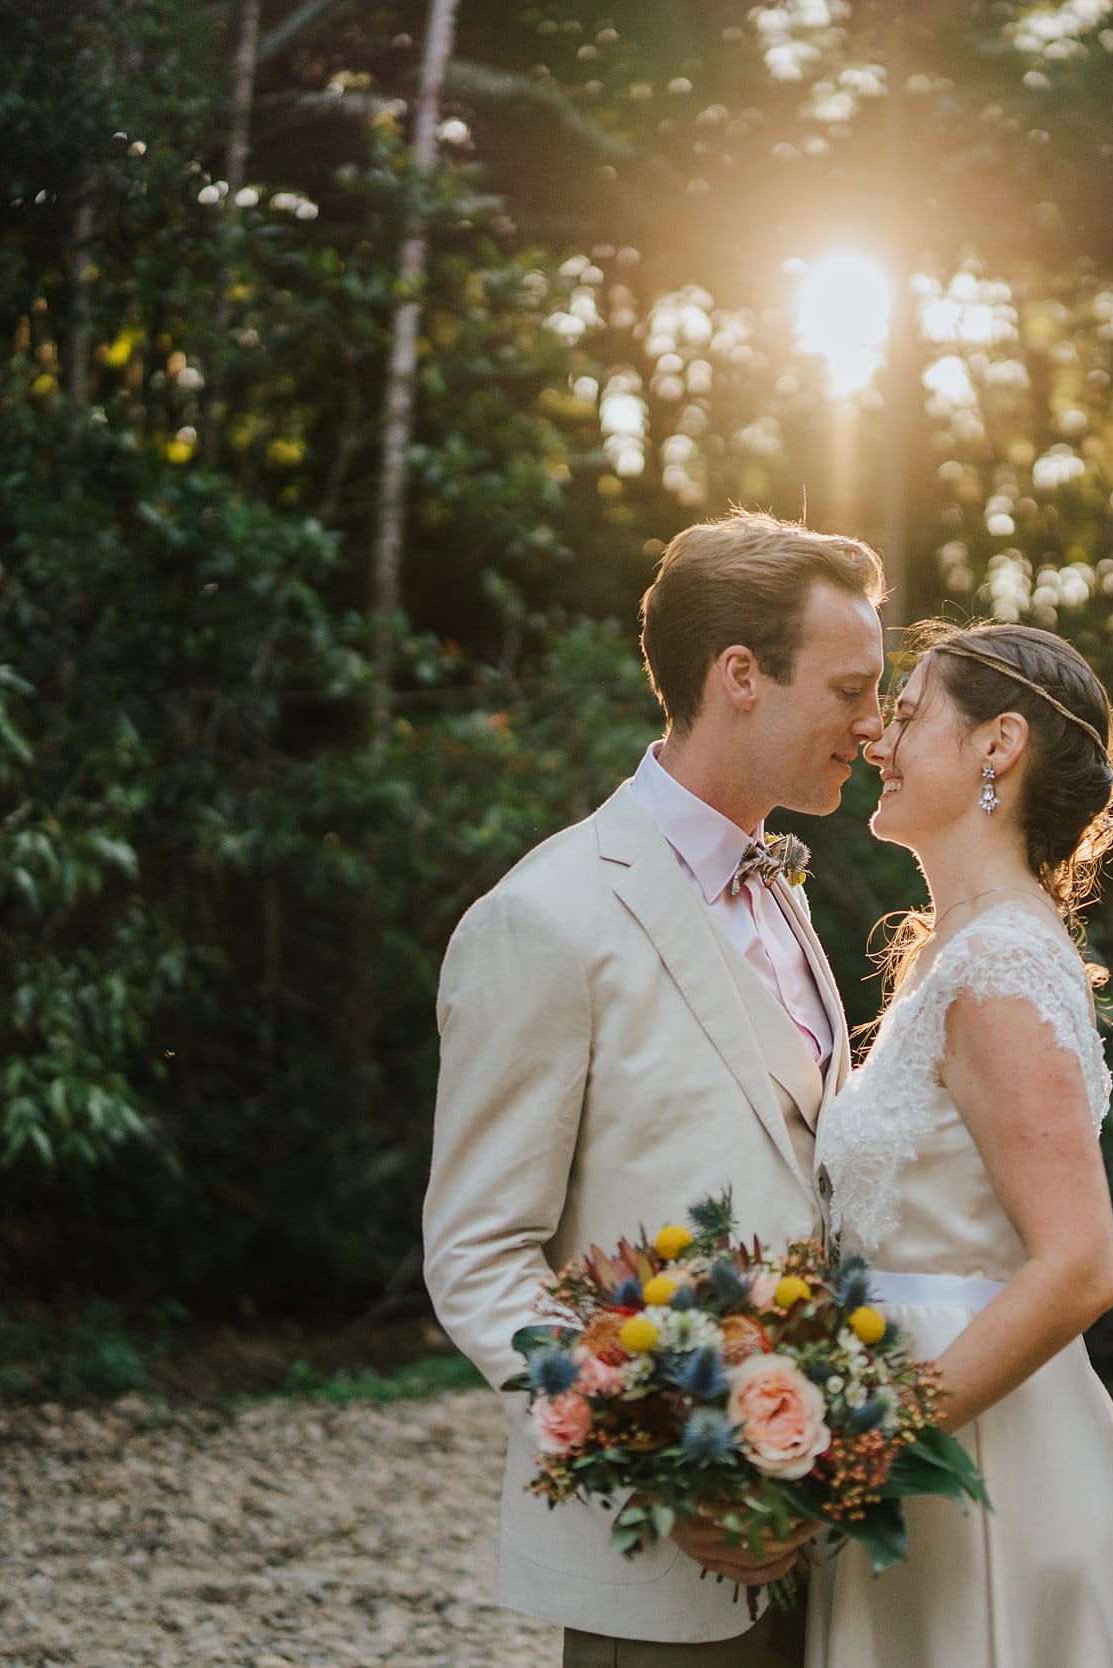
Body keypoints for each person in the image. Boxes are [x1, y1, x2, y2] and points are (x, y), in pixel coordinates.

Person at [423, 510, 887, 1667]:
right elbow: (479, 1256)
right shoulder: (544, 920)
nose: (875, 725)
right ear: (741, 675)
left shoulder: (782, 893)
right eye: (850, 688)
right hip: (665, 1557)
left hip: (822, 1535)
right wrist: (656, 1454)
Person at [807, 621, 1113, 1667]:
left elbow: (1077, 1268)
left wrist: (866, 1447)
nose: (876, 735)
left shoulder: (1002, 966)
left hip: (972, 1452)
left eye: (910, 711)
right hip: (915, 1438)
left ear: (997, 746)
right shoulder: (953, 954)